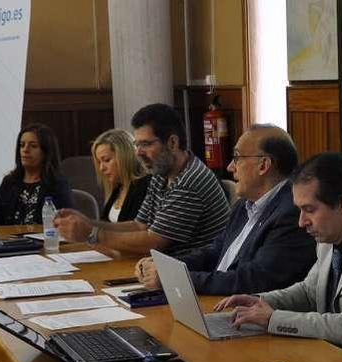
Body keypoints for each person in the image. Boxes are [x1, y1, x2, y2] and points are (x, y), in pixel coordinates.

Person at [215, 152, 342, 352]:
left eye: (309, 210)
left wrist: (273, 319)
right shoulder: (329, 233)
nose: (301, 222)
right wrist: (260, 301)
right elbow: (310, 292)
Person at [133, 124, 315, 295]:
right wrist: (166, 267)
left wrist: (175, 279)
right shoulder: (245, 205)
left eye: (237, 158)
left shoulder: (291, 212)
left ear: (263, 165)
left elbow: (254, 280)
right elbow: (214, 252)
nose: (230, 167)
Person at [54, 103, 230, 256]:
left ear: (172, 143)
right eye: (136, 145)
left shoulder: (190, 181)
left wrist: (91, 233)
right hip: (165, 272)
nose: (138, 152)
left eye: (146, 144)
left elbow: (153, 242)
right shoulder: (160, 173)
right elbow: (139, 226)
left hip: (195, 278)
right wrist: (87, 222)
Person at [0, 123, 72, 226]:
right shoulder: (9, 181)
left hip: (44, 240)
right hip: (7, 240)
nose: (25, 150)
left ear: (46, 152)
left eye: (33, 146)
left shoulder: (57, 183)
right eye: (22, 145)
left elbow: (66, 223)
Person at [92, 128, 150, 222]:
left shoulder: (145, 187)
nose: (101, 168)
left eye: (106, 160)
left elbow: (135, 230)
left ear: (124, 157)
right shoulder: (118, 187)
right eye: (99, 162)